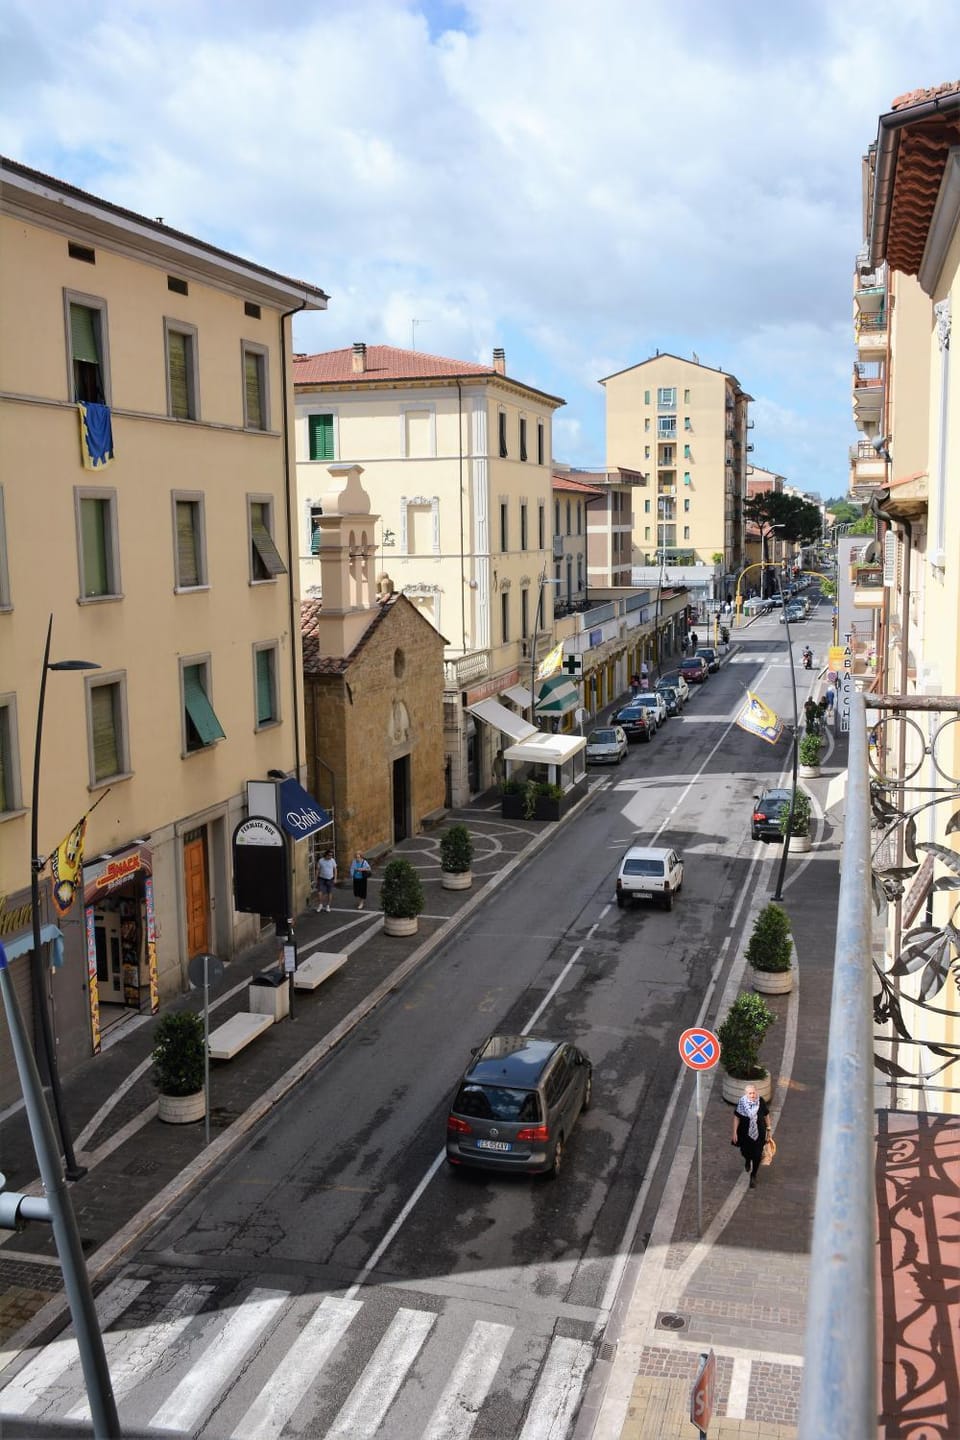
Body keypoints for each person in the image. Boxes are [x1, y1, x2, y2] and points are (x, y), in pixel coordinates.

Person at [731, 1083, 770, 1188]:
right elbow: (736, 1117)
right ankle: (747, 1160)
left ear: (756, 1092)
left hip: (759, 1133)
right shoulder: (742, 1103)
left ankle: (753, 1175)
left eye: (753, 1093)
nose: (752, 1095)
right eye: (750, 1093)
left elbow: (766, 1115)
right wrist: (734, 1132)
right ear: (746, 1094)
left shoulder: (760, 1101)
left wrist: (769, 1129)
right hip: (744, 1134)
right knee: (745, 1152)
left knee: (757, 1155)